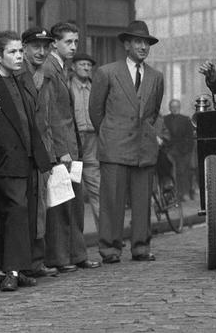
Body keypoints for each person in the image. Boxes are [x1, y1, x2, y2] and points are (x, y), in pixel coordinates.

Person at [0, 31, 54, 291]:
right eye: (13, 52)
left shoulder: (20, 81)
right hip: (5, 163)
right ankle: (11, 270)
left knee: (20, 215)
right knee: (13, 215)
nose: (19, 56)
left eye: (20, 51)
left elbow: (27, 121)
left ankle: (8, 269)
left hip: (27, 159)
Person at [90, 20, 165, 264]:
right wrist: (111, 133)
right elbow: (95, 111)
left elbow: (153, 112)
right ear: (126, 45)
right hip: (114, 147)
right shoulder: (107, 72)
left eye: (147, 43)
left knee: (143, 201)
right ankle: (110, 249)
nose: (143, 47)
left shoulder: (156, 76)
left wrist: (147, 132)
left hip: (144, 148)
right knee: (112, 201)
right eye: (138, 42)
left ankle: (141, 247)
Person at [40, 22, 99, 272]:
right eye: (68, 42)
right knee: (60, 206)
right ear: (54, 43)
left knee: (74, 204)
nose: (74, 46)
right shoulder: (49, 69)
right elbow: (49, 114)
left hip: (73, 149)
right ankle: (60, 258)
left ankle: (76, 254)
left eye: (76, 41)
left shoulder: (62, 69)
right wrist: (58, 151)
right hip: (62, 150)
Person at [16, 28, 61, 279]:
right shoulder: (18, 74)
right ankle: (22, 261)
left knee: (41, 206)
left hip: (43, 150)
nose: (41, 52)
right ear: (24, 48)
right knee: (23, 207)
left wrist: (54, 151)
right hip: (23, 150)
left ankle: (36, 259)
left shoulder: (46, 75)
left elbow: (51, 117)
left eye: (45, 47)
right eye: (35, 46)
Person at [70, 51, 101, 232]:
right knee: (74, 191)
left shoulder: (96, 87)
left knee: (97, 190)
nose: (86, 68)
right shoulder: (66, 86)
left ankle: (106, 237)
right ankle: (75, 239)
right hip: (73, 141)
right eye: (82, 64)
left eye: (89, 65)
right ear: (73, 67)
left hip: (92, 141)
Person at [160, 99, 196, 200]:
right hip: (169, 150)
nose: (174, 109)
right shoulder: (165, 119)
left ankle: (182, 193)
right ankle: (171, 195)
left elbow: (190, 137)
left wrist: (187, 150)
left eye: (176, 107)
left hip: (183, 151)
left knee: (182, 172)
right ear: (169, 108)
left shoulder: (186, 120)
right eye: (172, 107)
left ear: (179, 108)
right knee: (169, 172)